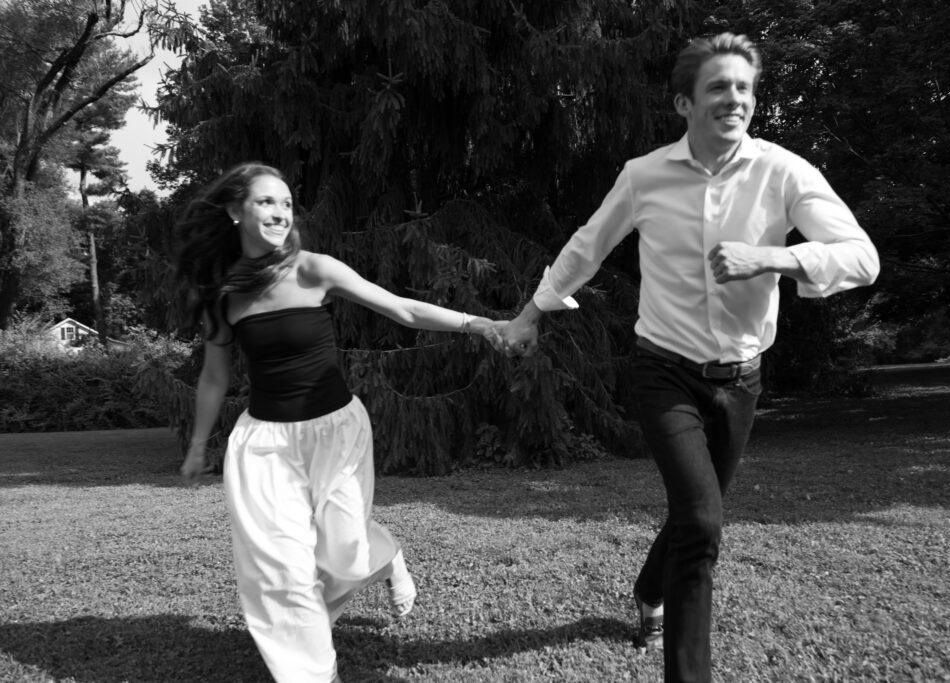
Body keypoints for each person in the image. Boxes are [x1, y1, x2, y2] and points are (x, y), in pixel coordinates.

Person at [500, 32, 879, 683]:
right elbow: (586, 247)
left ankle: (648, 591)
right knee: (703, 521)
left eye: (744, 88)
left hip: (742, 382)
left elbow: (861, 258)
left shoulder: (782, 172)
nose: (735, 99)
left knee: (690, 515)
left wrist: (774, 257)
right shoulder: (644, 176)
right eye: (719, 87)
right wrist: (532, 312)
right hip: (664, 373)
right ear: (684, 102)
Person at [175, 162, 506, 683]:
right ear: (236, 210)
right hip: (264, 447)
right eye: (266, 202)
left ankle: (386, 553)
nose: (281, 212)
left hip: (336, 434)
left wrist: (481, 324)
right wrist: (198, 445)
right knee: (280, 569)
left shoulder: (313, 269)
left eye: (286, 203)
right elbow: (214, 377)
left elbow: (402, 309)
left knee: (347, 558)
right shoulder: (223, 296)